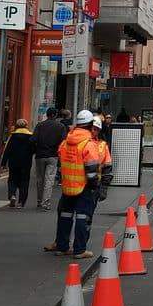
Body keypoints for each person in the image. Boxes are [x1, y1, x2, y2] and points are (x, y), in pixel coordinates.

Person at [46, 110, 112, 260]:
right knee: (83, 217)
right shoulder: (88, 144)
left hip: (67, 186)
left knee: (65, 215)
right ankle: (79, 249)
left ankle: (62, 247)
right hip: (84, 187)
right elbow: (92, 170)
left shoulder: (65, 142)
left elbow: (61, 160)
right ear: (89, 125)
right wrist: (96, 186)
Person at [33, 110, 67, 210]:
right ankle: (45, 202)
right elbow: (63, 141)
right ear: (55, 115)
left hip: (40, 155)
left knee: (40, 179)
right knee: (49, 180)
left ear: (47, 115)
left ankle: (39, 201)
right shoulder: (60, 126)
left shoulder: (40, 125)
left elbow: (33, 139)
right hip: (53, 155)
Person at [1, 118, 36, 209]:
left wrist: (3, 163)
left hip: (13, 162)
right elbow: (34, 150)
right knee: (24, 181)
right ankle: (21, 202)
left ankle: (12, 195)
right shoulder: (30, 136)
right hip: (26, 163)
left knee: (12, 179)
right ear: (26, 126)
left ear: (16, 126)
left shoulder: (13, 136)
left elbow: (7, 150)